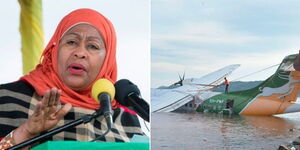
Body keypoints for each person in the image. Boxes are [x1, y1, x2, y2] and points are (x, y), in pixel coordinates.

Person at [0, 8, 143, 149]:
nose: (80, 53)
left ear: (108, 59)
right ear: (54, 49)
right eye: (71, 42)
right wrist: (26, 132)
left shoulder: (125, 115)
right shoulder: (7, 98)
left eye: (93, 46)